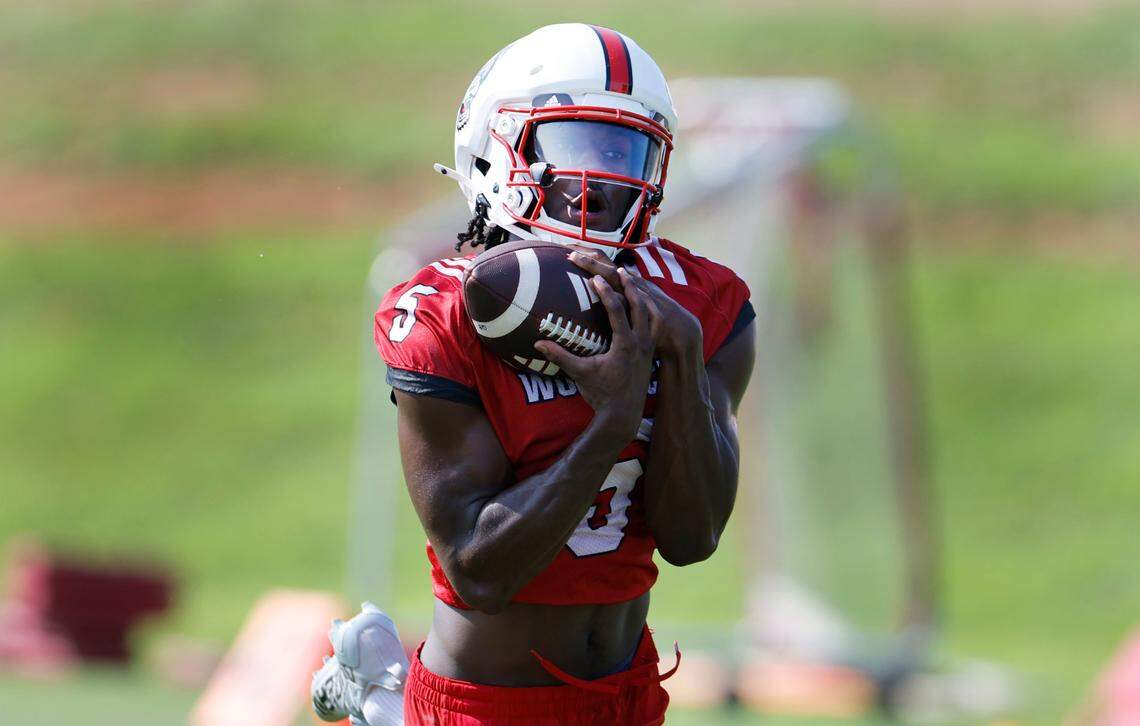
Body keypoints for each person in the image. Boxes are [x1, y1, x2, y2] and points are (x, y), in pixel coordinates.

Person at [314, 23, 756, 725]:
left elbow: (692, 539)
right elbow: (478, 570)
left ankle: (380, 702)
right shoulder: (442, 315)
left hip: (628, 693)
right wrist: (611, 422)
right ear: (493, 147)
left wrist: (680, 370)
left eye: (624, 151)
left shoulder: (701, 304)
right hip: (485, 705)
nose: (601, 180)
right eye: (574, 145)